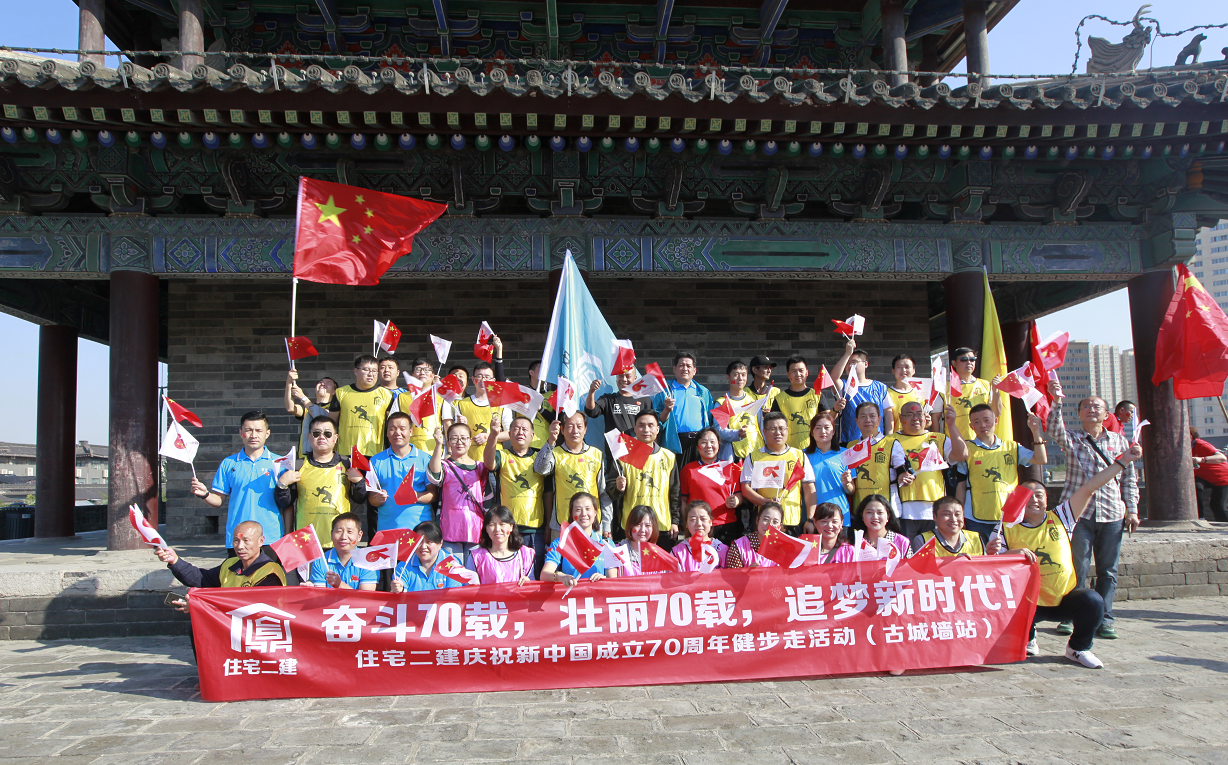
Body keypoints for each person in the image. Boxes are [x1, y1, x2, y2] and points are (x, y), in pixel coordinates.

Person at [987, 443, 1145, 668]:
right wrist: (1003, 553)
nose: (1034, 500)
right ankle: (1027, 636)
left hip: (1063, 596)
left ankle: (1078, 648)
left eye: (1039, 495)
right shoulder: (1005, 527)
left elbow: (1090, 487)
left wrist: (1123, 461)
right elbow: (993, 568)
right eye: (1027, 496)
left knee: (1093, 601)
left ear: (1046, 499)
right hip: (1026, 601)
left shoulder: (1062, 516)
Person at [1047, 378, 1138, 640]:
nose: (1091, 409)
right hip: (1079, 515)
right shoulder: (1073, 439)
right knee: (1077, 567)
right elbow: (1053, 428)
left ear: (1107, 415)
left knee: (1108, 571)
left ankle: (1105, 618)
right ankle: (1070, 615)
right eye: (1086, 406)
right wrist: (1057, 401)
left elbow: (1129, 478)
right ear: (1079, 414)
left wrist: (1132, 509)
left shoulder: (1120, 442)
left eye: (1097, 406)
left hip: (1112, 513)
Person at [957, 403, 1048, 543]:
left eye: (986, 420)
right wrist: (960, 514)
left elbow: (1041, 459)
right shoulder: (966, 450)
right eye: (977, 422)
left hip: (1009, 516)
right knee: (981, 554)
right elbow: (961, 485)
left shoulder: (1012, 447)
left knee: (1008, 552)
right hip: (976, 517)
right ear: (971, 426)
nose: (983, 425)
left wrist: (1036, 431)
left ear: (995, 421)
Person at [190, 410, 284, 544]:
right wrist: (205, 494)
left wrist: (288, 533)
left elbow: (288, 503)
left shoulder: (280, 463)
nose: (253, 435)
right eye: (248, 430)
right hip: (238, 538)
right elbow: (218, 500)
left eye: (259, 430)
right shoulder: (228, 463)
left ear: (267, 433)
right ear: (241, 433)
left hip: (271, 537)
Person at [273, 414, 368, 544]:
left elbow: (360, 499)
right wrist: (282, 485)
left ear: (335, 438)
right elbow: (285, 503)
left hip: (340, 539)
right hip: (306, 539)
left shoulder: (348, 464)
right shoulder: (298, 466)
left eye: (327, 434)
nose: (322, 437)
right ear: (309, 437)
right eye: (316, 433)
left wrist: (359, 482)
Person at [891, 401, 969, 540]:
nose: (915, 418)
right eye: (910, 415)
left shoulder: (938, 438)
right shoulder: (890, 440)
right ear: (901, 418)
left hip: (934, 509)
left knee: (931, 551)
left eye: (919, 414)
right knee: (907, 551)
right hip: (903, 510)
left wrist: (951, 425)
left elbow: (962, 454)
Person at [484, 415, 549, 575]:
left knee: (534, 574)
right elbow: (488, 463)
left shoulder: (540, 458)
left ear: (532, 435)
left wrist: (548, 524)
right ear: (509, 434)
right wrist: (493, 435)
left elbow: (548, 493)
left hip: (536, 529)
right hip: (509, 528)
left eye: (524, 429)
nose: (520, 432)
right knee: (512, 574)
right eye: (516, 429)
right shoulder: (503, 455)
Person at [534, 411, 614, 539]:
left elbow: (603, 493)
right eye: (570, 426)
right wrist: (551, 441)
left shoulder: (596, 455)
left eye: (579, 426)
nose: (575, 431)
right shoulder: (556, 453)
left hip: (592, 526)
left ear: (585, 429)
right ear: (562, 430)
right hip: (562, 525)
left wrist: (606, 525)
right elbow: (540, 469)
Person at [741, 411, 816, 536]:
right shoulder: (754, 457)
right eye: (772, 429)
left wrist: (810, 519)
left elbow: (809, 489)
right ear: (764, 432)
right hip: (765, 522)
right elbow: (746, 489)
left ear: (787, 430)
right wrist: (767, 503)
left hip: (791, 520)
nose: (778, 432)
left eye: (781, 428)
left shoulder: (799, 456)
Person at [613, 410, 681, 548]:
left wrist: (675, 521)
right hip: (632, 525)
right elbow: (611, 490)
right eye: (641, 425)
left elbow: (675, 492)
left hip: (661, 524)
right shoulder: (623, 456)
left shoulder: (668, 457)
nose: (646, 430)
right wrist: (617, 488)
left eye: (650, 425)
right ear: (635, 429)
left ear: (658, 429)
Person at [156, 520, 285, 589]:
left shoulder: (270, 571)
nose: (240, 546)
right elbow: (201, 579)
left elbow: (253, 605)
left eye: (246, 540)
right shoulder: (230, 564)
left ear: (261, 541)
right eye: (236, 540)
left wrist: (202, 604)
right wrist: (175, 561)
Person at [428, 422, 492, 559]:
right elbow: (434, 477)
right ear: (448, 442)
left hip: (475, 530)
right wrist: (438, 445)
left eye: (463, 438)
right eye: (454, 438)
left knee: (472, 570)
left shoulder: (480, 467)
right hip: (449, 529)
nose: (459, 442)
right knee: (452, 570)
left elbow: (487, 499)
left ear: (470, 441)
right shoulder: (445, 465)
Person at [368, 412, 436, 532]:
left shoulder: (425, 459)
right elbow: (371, 499)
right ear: (387, 433)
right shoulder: (375, 461)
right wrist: (377, 499)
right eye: (392, 429)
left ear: (410, 431)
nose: (397, 433)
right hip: (388, 530)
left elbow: (434, 494)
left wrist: (416, 496)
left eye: (402, 428)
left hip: (419, 530)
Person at [652, 352, 721, 465]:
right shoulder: (664, 391)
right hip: (674, 442)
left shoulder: (703, 392)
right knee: (677, 475)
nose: (685, 369)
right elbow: (656, 421)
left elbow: (709, 419)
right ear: (674, 369)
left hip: (699, 442)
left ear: (694, 371)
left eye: (688, 366)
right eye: (681, 365)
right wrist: (666, 410)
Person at [679, 427, 744, 544]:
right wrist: (686, 523)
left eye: (712, 442)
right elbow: (683, 500)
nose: (709, 446)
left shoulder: (730, 468)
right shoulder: (688, 470)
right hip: (699, 526)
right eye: (704, 442)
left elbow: (739, 495)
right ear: (697, 446)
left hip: (725, 524)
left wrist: (736, 501)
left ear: (719, 445)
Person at [540, 492, 614, 586]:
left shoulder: (606, 544)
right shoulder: (560, 543)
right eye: (578, 510)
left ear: (595, 512)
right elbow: (544, 575)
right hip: (571, 594)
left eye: (588, 509)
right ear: (571, 513)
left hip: (599, 594)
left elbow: (613, 581)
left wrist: (604, 579)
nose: (583, 514)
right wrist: (559, 576)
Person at [830, 337, 893, 446]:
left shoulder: (880, 387)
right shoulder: (844, 386)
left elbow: (888, 413)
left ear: (866, 364)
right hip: (850, 441)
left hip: (877, 441)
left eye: (854, 362)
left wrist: (889, 438)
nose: (850, 365)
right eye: (847, 363)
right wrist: (847, 353)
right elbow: (833, 378)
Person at [449, 357, 512, 463]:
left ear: (493, 381)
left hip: (494, 460)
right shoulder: (462, 404)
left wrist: (488, 436)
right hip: (469, 459)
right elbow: (455, 435)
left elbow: (510, 433)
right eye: (479, 376)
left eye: (487, 377)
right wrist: (461, 426)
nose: (483, 380)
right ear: (473, 379)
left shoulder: (501, 404)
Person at [332, 354, 395, 460]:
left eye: (374, 371)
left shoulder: (387, 395)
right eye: (366, 370)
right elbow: (331, 424)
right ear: (355, 371)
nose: (371, 374)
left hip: (375, 453)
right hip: (345, 453)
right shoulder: (340, 393)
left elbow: (391, 425)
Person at [804, 410, 855, 528]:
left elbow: (851, 490)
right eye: (818, 428)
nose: (823, 431)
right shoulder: (803, 455)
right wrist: (809, 519)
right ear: (812, 432)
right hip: (812, 517)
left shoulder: (846, 454)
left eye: (827, 427)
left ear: (833, 432)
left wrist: (847, 483)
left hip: (839, 517)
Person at [306, 512, 378, 590]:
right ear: (331, 534)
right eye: (339, 531)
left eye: (349, 532)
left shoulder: (368, 561)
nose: (343, 537)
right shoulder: (321, 561)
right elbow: (320, 594)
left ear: (359, 536)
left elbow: (366, 596)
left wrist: (339, 584)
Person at [467, 506, 535, 585]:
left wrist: (528, 583)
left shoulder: (526, 554)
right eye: (492, 525)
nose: (497, 529)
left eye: (502, 524)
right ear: (486, 529)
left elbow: (532, 587)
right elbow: (468, 588)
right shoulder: (476, 557)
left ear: (511, 527)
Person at [391, 521, 466, 592]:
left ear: (440, 543)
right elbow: (400, 594)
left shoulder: (453, 563)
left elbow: (455, 595)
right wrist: (399, 590)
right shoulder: (403, 566)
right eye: (419, 542)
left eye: (429, 542)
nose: (423, 547)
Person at [946, 347, 1003, 440]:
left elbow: (996, 412)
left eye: (972, 359)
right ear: (954, 363)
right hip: (954, 441)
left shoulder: (986, 384)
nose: (969, 362)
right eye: (964, 359)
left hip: (982, 441)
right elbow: (936, 417)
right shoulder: (945, 387)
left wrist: (996, 391)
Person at [847, 402, 893, 507]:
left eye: (872, 416)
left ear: (879, 419)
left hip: (884, 507)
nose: (868, 420)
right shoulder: (850, 446)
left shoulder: (892, 443)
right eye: (863, 416)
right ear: (856, 421)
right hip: (858, 507)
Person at [772, 355, 823, 450]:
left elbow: (827, 418)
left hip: (815, 449)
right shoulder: (780, 398)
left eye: (801, 370)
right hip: (789, 450)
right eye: (794, 371)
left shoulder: (817, 394)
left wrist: (835, 409)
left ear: (807, 372)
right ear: (788, 374)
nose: (798, 374)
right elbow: (774, 425)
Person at [718, 360, 765, 459]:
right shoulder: (721, 403)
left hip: (757, 452)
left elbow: (761, 427)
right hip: (734, 455)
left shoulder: (753, 400)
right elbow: (720, 431)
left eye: (743, 375)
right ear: (728, 377)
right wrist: (737, 434)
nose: (740, 378)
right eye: (736, 374)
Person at [284, 370, 337, 459]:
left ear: (334, 392)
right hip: (305, 457)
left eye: (328, 383)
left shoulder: (334, 410)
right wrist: (289, 383)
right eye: (320, 382)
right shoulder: (306, 409)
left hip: (325, 458)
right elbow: (290, 408)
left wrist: (302, 397)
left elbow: (321, 417)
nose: (323, 384)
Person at [395, 357, 442, 454]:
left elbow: (447, 424)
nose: (422, 372)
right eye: (418, 369)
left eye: (427, 370)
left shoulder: (441, 397)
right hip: (406, 451)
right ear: (412, 374)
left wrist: (449, 451)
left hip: (434, 450)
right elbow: (394, 423)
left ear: (433, 375)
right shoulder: (401, 397)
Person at [911, 496, 984, 556]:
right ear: (934, 516)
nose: (953, 519)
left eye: (957, 514)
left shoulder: (976, 538)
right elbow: (920, 569)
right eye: (947, 514)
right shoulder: (923, 541)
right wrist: (954, 563)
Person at [724, 501, 785, 568]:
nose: (770, 525)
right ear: (757, 520)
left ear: (780, 526)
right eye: (766, 519)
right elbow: (732, 574)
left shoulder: (785, 549)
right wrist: (747, 572)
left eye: (775, 522)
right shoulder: (738, 547)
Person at [671, 500, 727, 571]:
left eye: (703, 519)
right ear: (687, 524)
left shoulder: (723, 550)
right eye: (693, 519)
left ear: (710, 522)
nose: (699, 524)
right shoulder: (677, 552)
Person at [853, 494, 909, 560]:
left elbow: (911, 566)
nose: (875, 517)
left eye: (880, 512)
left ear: (888, 516)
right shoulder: (854, 543)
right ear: (862, 515)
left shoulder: (902, 543)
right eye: (869, 512)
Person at [615, 505, 668, 576]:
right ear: (630, 526)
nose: (642, 530)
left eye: (647, 526)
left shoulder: (659, 556)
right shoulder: (616, 552)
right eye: (638, 525)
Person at [1192, 427, 1228, 522]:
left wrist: (1202, 459)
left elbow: (1222, 457)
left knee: (1218, 506)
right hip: (1202, 477)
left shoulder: (1201, 444)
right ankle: (1200, 517)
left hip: (1221, 477)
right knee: (1195, 487)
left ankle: (1224, 525)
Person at [885, 355, 926, 435]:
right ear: (893, 371)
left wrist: (928, 421)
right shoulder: (886, 393)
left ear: (914, 370)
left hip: (918, 439)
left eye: (907, 367)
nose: (903, 370)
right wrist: (889, 440)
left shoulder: (921, 393)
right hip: (897, 440)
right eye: (899, 367)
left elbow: (925, 423)